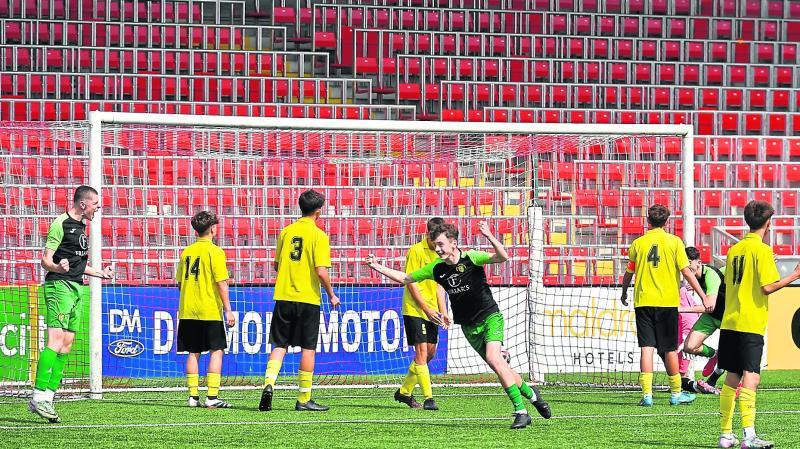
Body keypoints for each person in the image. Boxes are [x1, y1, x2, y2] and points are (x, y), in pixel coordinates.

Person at [365, 221, 551, 429]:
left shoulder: (471, 257)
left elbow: (503, 256)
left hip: (490, 317)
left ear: (453, 243)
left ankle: (521, 411)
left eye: (441, 244)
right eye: (435, 245)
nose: (437, 249)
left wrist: (489, 235)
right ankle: (534, 397)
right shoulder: (437, 269)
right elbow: (406, 278)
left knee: (494, 358)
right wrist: (377, 266)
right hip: (469, 327)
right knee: (500, 365)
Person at [716, 201, 800, 449]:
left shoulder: (735, 250)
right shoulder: (762, 250)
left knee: (732, 376)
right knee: (751, 377)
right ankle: (749, 436)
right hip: (750, 321)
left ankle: (725, 435)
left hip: (730, 321)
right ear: (768, 223)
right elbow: (766, 287)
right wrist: (795, 275)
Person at [29, 185, 113, 423]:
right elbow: (46, 260)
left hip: (76, 287)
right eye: (96, 203)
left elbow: (77, 265)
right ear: (84, 204)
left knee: (66, 345)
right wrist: (57, 267)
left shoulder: (81, 228)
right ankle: (38, 396)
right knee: (55, 341)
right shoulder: (60, 224)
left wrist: (100, 273)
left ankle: (48, 397)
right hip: (59, 287)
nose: (98, 207)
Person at [620, 205, 709, 407]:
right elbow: (687, 272)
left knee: (646, 348)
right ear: (667, 222)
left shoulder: (638, 244)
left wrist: (624, 291)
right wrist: (703, 295)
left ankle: (647, 395)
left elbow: (629, 273)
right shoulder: (675, 242)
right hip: (668, 303)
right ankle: (676, 394)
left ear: (647, 221)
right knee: (669, 349)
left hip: (643, 302)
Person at [259, 190, 340, 412]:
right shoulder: (319, 236)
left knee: (279, 345)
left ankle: (269, 384)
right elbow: (321, 271)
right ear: (318, 211)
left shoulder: (286, 232)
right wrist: (331, 294)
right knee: (308, 348)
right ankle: (304, 399)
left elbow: (277, 265)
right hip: (307, 299)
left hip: (284, 295)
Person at [175, 211, 236, 409]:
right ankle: (212, 396)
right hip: (209, 309)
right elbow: (221, 283)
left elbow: (179, 283)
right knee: (216, 351)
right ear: (212, 229)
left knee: (193, 352)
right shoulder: (216, 252)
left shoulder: (187, 252)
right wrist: (228, 310)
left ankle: (193, 397)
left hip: (188, 311)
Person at [394, 217, 449, 411]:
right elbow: (411, 282)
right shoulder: (416, 251)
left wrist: (443, 311)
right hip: (415, 308)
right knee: (422, 352)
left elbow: (440, 285)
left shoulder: (442, 253)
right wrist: (425, 307)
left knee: (429, 354)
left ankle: (404, 392)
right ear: (428, 235)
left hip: (432, 310)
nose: (439, 244)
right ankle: (429, 398)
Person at [681, 246, 727, 393]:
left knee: (733, 356)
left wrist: (680, 309)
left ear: (698, 262)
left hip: (727, 317)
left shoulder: (710, 275)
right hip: (711, 317)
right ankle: (714, 354)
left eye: (689, 262)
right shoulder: (693, 278)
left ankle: (737, 387)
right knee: (689, 346)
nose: (686, 266)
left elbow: (709, 306)